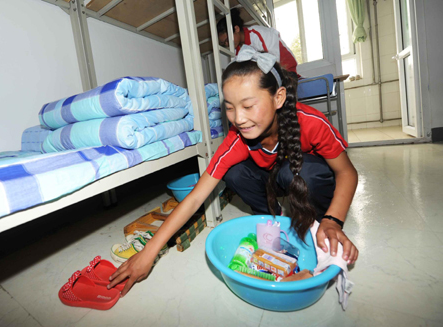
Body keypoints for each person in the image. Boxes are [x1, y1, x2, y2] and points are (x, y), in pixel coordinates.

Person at [108, 45, 359, 296]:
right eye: (229, 107)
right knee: (234, 172)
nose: (238, 118)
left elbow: (347, 173)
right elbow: (196, 196)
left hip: (305, 179)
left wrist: (333, 220)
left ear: (279, 98)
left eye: (248, 106)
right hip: (273, 181)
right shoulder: (237, 139)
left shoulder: (311, 122)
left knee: (301, 175)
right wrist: (149, 252)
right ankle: (270, 217)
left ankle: (321, 227)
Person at [217, 8, 299, 78]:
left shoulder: (258, 34)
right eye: (224, 43)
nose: (227, 44)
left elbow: (274, 62)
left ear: (236, 29)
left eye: (227, 40)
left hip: (287, 71)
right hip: (270, 76)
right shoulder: (238, 51)